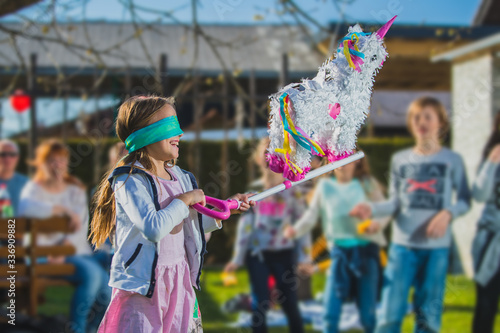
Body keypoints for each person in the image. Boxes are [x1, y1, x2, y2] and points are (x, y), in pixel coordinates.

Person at [89, 95, 254, 333]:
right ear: (146, 133)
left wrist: (223, 210)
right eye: (171, 126)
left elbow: (187, 225)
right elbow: (154, 228)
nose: (181, 133)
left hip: (179, 280)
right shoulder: (130, 180)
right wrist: (184, 200)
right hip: (144, 288)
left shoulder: (182, 178)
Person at [350, 96, 471, 333]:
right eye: (416, 116)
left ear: (440, 123)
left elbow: (465, 200)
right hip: (402, 248)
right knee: (389, 315)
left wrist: (448, 213)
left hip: (436, 250)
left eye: (428, 116)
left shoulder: (452, 160)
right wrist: (372, 209)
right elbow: (395, 202)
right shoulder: (400, 160)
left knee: (428, 318)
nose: (421, 121)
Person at [284, 153, 388, 333]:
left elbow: (384, 210)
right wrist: (295, 230)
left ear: (357, 161)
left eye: (347, 158)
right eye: (337, 158)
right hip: (339, 254)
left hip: (366, 253)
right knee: (330, 316)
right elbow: (311, 216)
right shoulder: (325, 187)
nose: (342, 164)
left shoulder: (367, 184)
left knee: (367, 315)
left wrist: (376, 224)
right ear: (330, 162)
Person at [18, 139, 112, 333]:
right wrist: (59, 209)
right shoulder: (33, 190)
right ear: (41, 163)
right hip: (43, 255)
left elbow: (80, 228)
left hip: (75, 254)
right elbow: (26, 214)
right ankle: (76, 329)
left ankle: (93, 329)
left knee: (107, 291)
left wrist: (65, 245)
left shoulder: (75, 189)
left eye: (61, 159)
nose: (57, 164)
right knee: (93, 275)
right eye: (51, 160)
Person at [224, 138, 309, 333]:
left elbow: (302, 226)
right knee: (260, 303)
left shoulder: (292, 192)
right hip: (258, 256)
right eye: (264, 153)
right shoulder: (253, 193)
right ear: (258, 160)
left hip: (284, 255)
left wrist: (305, 257)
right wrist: (237, 258)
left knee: (289, 302)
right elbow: (246, 226)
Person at [471, 112, 500, 333]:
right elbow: (479, 195)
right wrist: (491, 163)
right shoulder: (493, 154)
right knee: (486, 304)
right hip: (490, 238)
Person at [0, 139, 28, 215]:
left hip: (16, 225)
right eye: (2, 154)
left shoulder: (27, 184)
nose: (7, 158)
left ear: (17, 157)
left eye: (12, 154)